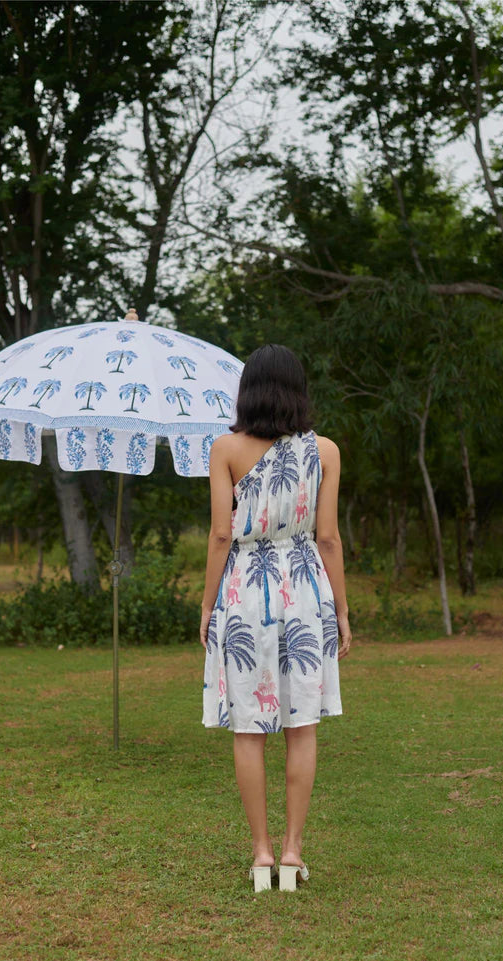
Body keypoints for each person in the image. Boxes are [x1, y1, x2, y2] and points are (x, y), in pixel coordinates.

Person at [200, 344, 351, 891]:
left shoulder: (225, 449)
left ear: (249, 390)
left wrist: (207, 603)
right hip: (306, 588)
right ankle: (292, 853)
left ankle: (261, 854)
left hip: (245, 589)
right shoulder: (326, 451)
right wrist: (341, 607)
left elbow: (221, 533)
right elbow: (328, 537)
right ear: (297, 390)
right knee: (301, 725)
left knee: (249, 727)